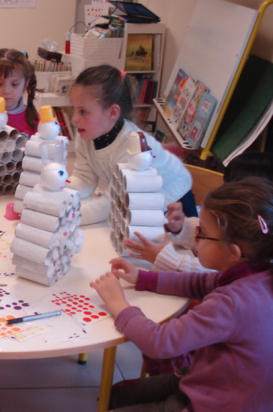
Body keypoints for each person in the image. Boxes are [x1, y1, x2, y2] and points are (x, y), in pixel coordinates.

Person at [90, 177, 273, 412]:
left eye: (202, 233)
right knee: (116, 395)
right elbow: (200, 282)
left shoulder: (233, 303)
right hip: (216, 382)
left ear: (234, 252)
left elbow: (159, 342)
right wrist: (143, 278)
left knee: (114, 403)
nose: (195, 237)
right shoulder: (256, 274)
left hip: (216, 404)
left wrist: (118, 305)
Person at [67, 64, 192, 225]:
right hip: (135, 199)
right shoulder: (85, 134)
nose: (74, 119)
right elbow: (84, 178)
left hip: (173, 200)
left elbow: (112, 203)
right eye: (74, 109)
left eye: (83, 111)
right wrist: (59, 192)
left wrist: (66, 216)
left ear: (112, 112)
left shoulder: (132, 145)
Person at [126, 151, 273, 272]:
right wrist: (181, 228)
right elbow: (213, 235)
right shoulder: (252, 227)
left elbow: (209, 272)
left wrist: (164, 258)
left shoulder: (256, 269)